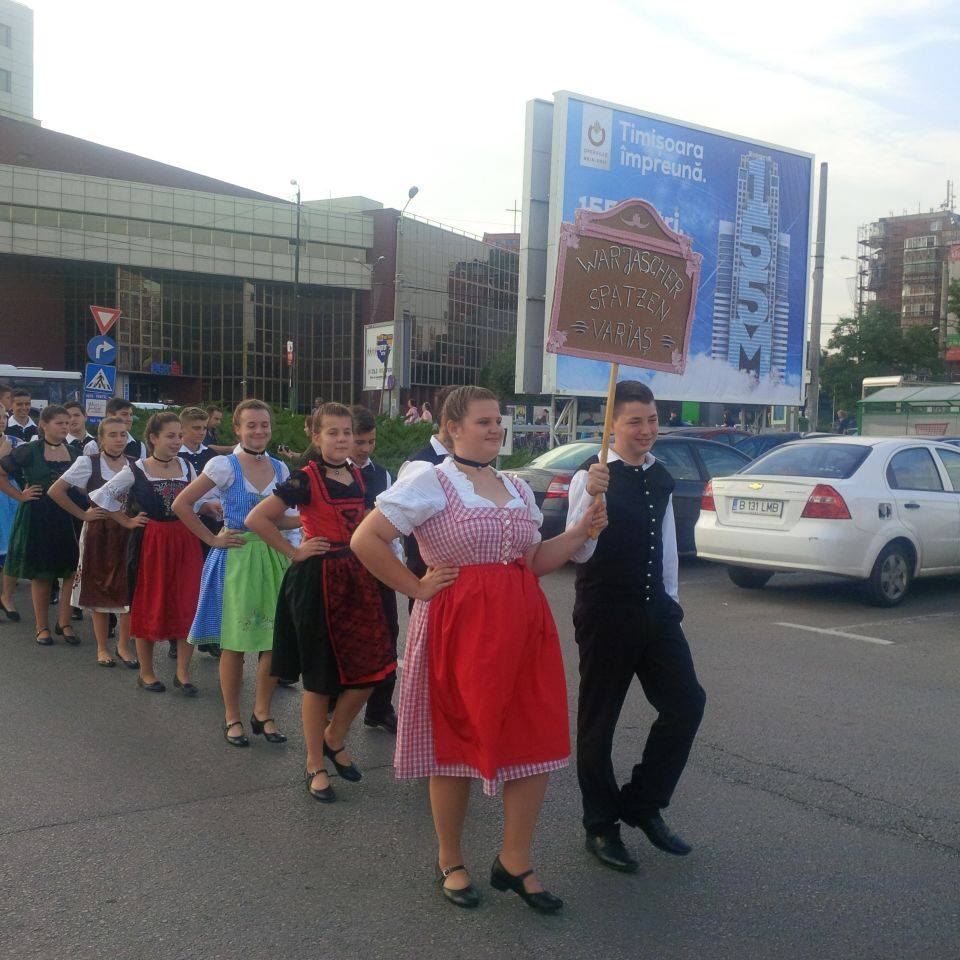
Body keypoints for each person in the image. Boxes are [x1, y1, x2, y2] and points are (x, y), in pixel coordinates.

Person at [351, 386, 607, 913]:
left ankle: (515, 860)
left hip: (524, 627)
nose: (496, 429)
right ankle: (450, 858)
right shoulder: (430, 479)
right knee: (456, 743)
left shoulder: (515, 485)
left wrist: (581, 530)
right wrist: (416, 586)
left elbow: (532, 561)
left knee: (531, 739)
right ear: (453, 428)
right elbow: (365, 540)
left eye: (498, 420)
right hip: (459, 627)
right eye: (484, 421)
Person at [565, 380, 706, 874]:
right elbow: (577, 550)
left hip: (655, 611)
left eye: (652, 420)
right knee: (599, 721)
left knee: (687, 703)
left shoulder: (660, 474)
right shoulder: (591, 476)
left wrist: (671, 601)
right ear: (612, 425)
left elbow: (665, 544)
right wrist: (590, 500)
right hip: (605, 613)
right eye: (634, 421)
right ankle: (600, 825)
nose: (645, 430)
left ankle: (644, 803)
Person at [245, 402, 396, 804]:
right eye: (333, 433)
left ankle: (334, 736)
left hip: (358, 577)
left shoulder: (359, 475)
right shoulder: (304, 478)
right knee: (319, 678)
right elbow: (258, 519)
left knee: (372, 670)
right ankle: (315, 762)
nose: (342, 439)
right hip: (318, 582)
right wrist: (294, 552)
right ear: (315, 436)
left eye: (347, 432)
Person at [174, 400, 302, 748]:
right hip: (237, 558)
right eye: (251, 425)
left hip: (272, 557)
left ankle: (262, 712)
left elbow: (278, 519)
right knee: (234, 643)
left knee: (273, 641)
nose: (259, 431)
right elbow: (182, 504)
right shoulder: (224, 465)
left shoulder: (280, 467)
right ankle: (232, 716)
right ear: (237, 429)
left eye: (264, 424)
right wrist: (211, 538)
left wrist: (309, 520)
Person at [91, 412, 205, 694]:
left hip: (185, 540)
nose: (177, 441)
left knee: (187, 601)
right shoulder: (137, 469)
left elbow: (197, 501)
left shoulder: (187, 466)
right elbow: (103, 496)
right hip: (152, 543)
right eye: (170, 436)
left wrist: (207, 507)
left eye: (180, 435)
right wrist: (127, 521)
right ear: (153, 438)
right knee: (149, 602)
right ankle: (147, 672)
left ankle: (182, 673)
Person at [48, 416, 137, 668]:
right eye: (113, 434)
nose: (119, 439)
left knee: (129, 588)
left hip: (128, 532)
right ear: (101, 439)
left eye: (123, 434)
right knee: (100, 586)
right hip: (100, 532)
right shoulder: (88, 462)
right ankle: (102, 647)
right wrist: (83, 514)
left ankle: (123, 645)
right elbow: (55, 491)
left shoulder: (135, 464)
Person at [0, 404, 79, 646]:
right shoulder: (29, 450)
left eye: (67, 423)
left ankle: (64, 622)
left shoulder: (75, 452)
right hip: (39, 514)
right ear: (43, 425)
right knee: (42, 573)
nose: (65, 427)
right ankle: (41, 626)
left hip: (69, 515)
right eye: (59, 423)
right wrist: (19, 495)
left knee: (71, 572)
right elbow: (1, 472)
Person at [349, 405, 400, 734]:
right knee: (345, 639)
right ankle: (331, 706)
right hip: (343, 566)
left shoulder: (383, 475)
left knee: (388, 635)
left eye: (371, 442)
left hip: (379, 566)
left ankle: (380, 708)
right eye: (360, 442)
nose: (366, 449)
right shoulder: (328, 472)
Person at [0, 409, 23, 622]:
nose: (1, 421)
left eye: (4, 417)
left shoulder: (16, 443)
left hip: (11, 497)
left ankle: (6, 596)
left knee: (13, 550)